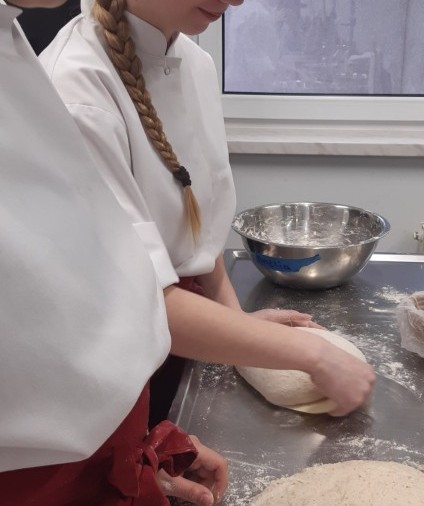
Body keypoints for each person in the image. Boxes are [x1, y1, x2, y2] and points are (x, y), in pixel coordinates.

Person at [40, 0, 375, 429]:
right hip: (103, 375)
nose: (236, 1)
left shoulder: (194, 62)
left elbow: (194, 223)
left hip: (175, 335)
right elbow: (132, 300)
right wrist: (312, 354)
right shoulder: (75, 89)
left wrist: (234, 324)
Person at [0, 1, 228, 505]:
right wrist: (303, 355)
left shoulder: (10, 51)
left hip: (99, 444)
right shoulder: (71, 82)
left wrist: (137, 452)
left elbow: (65, 329)